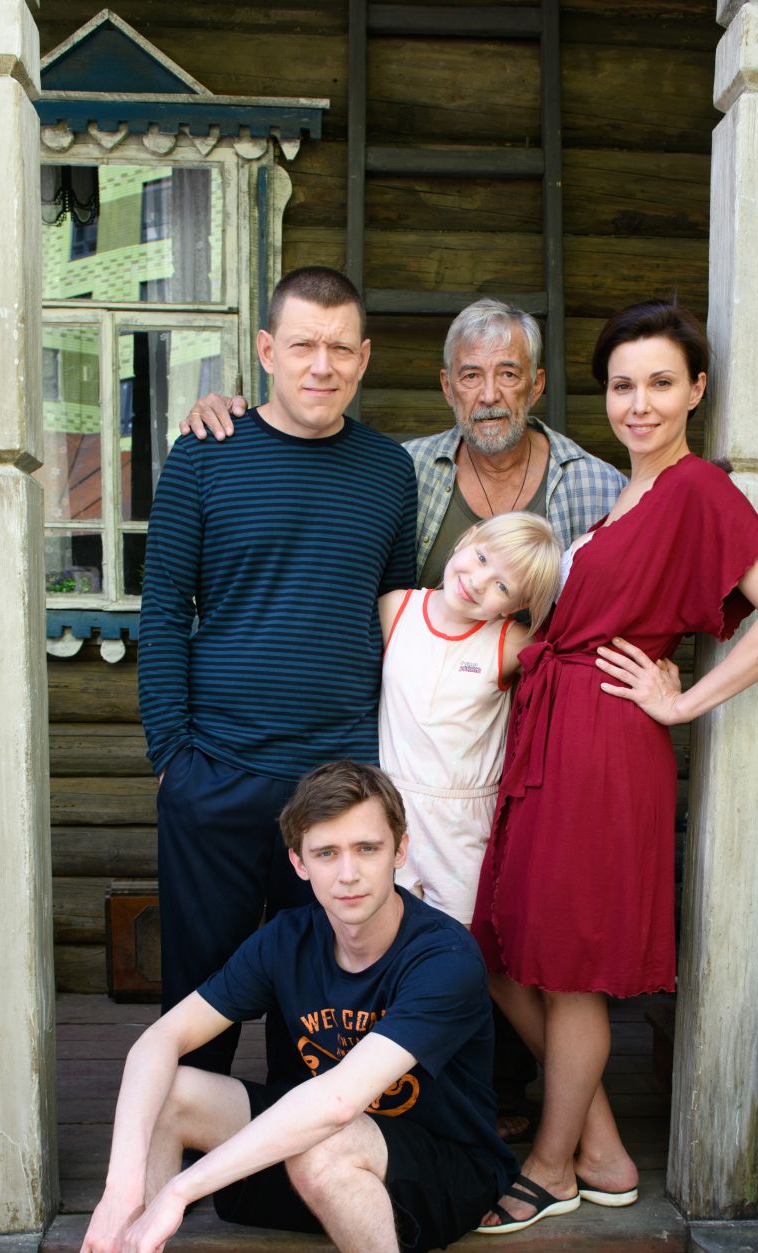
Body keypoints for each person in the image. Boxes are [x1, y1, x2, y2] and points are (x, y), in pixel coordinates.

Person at [0, 762, 517, 1253]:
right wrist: (122, 1190)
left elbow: (337, 1100)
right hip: (312, 1171)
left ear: (400, 850)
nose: (348, 873)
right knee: (176, 1089)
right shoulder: (288, 937)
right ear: (298, 864)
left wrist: (181, 1192)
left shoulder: (442, 956)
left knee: (326, 1136)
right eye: (326, 853)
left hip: (437, 1180)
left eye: (367, 848)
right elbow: (159, 1042)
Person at [470, 301, 758, 1235]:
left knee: (567, 968)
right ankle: (602, 1149)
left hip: (603, 746)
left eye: (661, 383)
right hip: (555, 733)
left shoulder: (697, 488)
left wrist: (684, 702)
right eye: (622, 385)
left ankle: (552, 1166)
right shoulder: (623, 499)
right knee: (504, 952)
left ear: (695, 390)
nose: (639, 403)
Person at [139, 267, 417, 1076]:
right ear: (267, 351)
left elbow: (394, 613)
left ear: (363, 357)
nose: (320, 366)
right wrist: (172, 757)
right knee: (203, 998)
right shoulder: (204, 455)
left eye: (339, 348)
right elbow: (163, 610)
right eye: (302, 346)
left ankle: (299, 1147)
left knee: (322, 1007)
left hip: (337, 784)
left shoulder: (388, 471)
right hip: (215, 773)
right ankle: (192, 1140)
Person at [181, 297, 626, 583]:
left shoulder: (600, 488)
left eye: (508, 374)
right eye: (471, 376)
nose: (489, 395)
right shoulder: (402, 470)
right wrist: (237, 419)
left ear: (536, 385)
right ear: (448, 387)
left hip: (548, 705)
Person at [379, 511, 561, 927]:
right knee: (386, 934)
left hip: (464, 822)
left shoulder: (512, 643)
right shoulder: (395, 608)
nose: (478, 582)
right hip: (391, 804)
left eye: (502, 586)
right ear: (468, 537)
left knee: (457, 941)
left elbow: (568, 669)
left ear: (517, 606)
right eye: (481, 558)